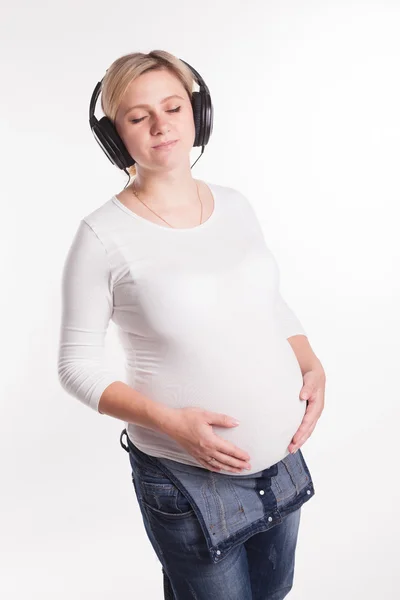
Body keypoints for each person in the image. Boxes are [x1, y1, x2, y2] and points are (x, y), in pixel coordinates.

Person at [58, 49, 326, 599]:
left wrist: (309, 360)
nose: (161, 125)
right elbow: (73, 366)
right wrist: (170, 422)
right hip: (185, 475)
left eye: (174, 107)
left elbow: (268, 303)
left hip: (280, 463)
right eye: (138, 117)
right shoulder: (101, 235)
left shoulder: (234, 203)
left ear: (197, 115)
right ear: (116, 137)